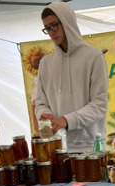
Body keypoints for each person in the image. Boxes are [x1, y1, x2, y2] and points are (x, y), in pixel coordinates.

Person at [35, 2, 108, 153]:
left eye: (54, 25)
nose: (51, 32)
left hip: (90, 147)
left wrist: (67, 120)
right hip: (58, 147)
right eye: (47, 28)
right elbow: (40, 102)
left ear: (67, 21)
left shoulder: (93, 56)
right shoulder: (46, 63)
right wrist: (43, 113)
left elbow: (99, 104)